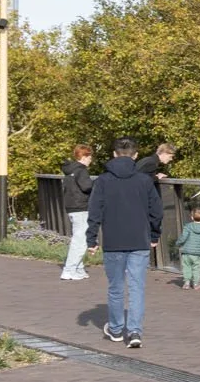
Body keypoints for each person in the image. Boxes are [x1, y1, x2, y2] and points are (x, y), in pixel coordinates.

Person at [86, 136, 162, 348]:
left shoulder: (102, 181)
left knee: (116, 288)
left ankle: (116, 329)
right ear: (135, 155)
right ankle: (135, 331)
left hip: (113, 241)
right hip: (139, 240)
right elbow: (156, 211)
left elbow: (94, 211)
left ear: (114, 154)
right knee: (137, 288)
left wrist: (91, 239)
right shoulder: (144, 181)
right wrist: (154, 235)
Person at [58, 144, 96, 280]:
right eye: (90, 157)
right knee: (80, 240)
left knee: (78, 237)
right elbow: (86, 187)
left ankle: (79, 269)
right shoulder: (81, 170)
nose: (91, 160)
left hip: (71, 207)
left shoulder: (69, 170)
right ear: (84, 157)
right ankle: (69, 270)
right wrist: (96, 185)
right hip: (81, 207)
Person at [177, 206, 200, 290]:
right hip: (198, 254)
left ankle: (186, 283)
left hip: (187, 251)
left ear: (192, 217)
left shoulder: (188, 226)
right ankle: (196, 284)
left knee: (186, 267)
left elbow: (183, 237)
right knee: (196, 268)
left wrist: (178, 243)